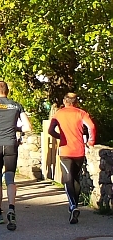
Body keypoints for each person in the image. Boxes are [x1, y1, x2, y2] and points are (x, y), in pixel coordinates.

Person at [0, 80, 32, 231]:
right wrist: (16, 130)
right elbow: (28, 126)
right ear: (8, 91)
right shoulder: (16, 105)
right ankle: (11, 208)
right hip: (10, 144)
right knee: (10, 178)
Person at [48, 92, 96, 224]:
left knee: (67, 179)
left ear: (64, 102)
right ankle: (75, 204)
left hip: (65, 151)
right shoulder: (81, 113)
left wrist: (60, 137)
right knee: (75, 178)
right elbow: (91, 127)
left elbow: (50, 130)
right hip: (79, 151)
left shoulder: (59, 114)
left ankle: (73, 206)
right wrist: (90, 142)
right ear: (76, 102)